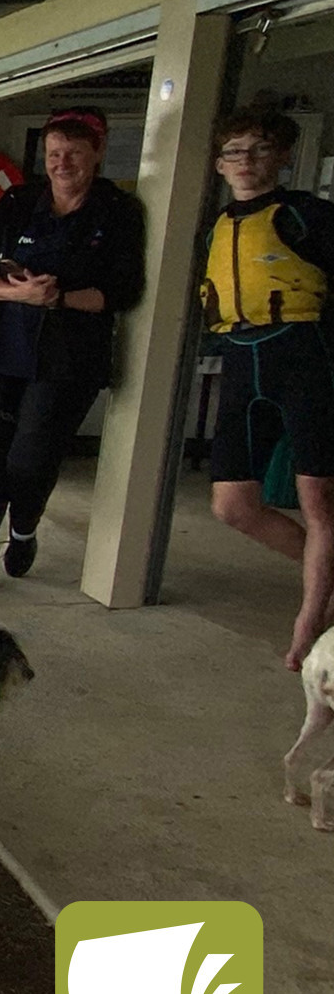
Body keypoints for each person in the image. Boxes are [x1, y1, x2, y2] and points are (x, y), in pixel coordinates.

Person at [0, 107, 146, 596]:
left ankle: (23, 529)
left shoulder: (118, 211)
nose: (61, 162)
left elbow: (123, 291)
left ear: (97, 153)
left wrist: (59, 298)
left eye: (72, 152)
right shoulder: (18, 202)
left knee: (30, 460)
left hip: (68, 357)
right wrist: (15, 294)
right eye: (53, 153)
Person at [200, 107, 334, 669]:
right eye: (235, 151)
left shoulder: (307, 214)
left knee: (319, 500)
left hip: (305, 356)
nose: (246, 162)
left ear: (281, 156)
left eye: (259, 149)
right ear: (219, 163)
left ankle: (310, 620)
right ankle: (324, 583)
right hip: (240, 357)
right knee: (233, 505)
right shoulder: (222, 222)